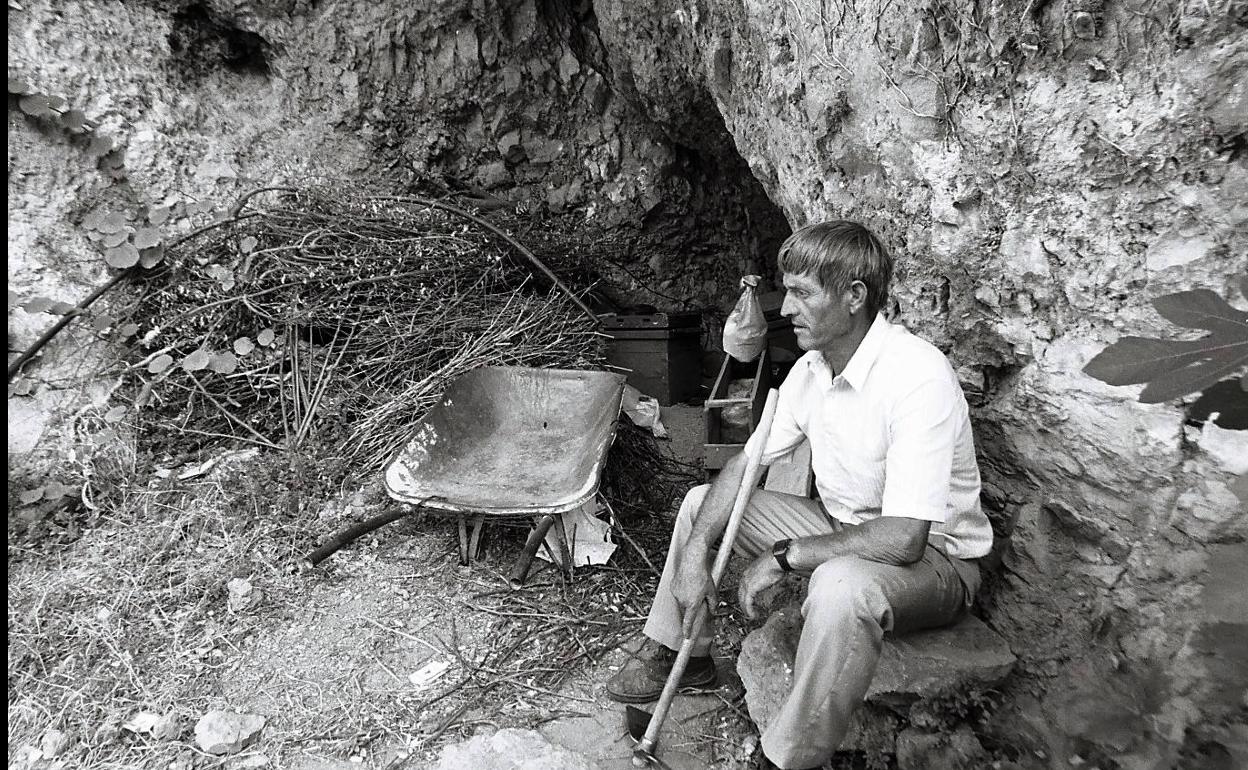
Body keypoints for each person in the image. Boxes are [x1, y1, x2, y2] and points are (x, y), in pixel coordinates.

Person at [606, 221, 994, 770]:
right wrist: (697, 553)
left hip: (937, 562)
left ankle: (788, 758)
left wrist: (785, 556)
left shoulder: (917, 377)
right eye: (786, 290)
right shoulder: (811, 370)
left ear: (854, 297)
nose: (784, 308)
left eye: (802, 292)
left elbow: (906, 538)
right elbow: (746, 463)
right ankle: (683, 653)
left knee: (839, 588)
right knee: (701, 505)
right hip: (841, 527)